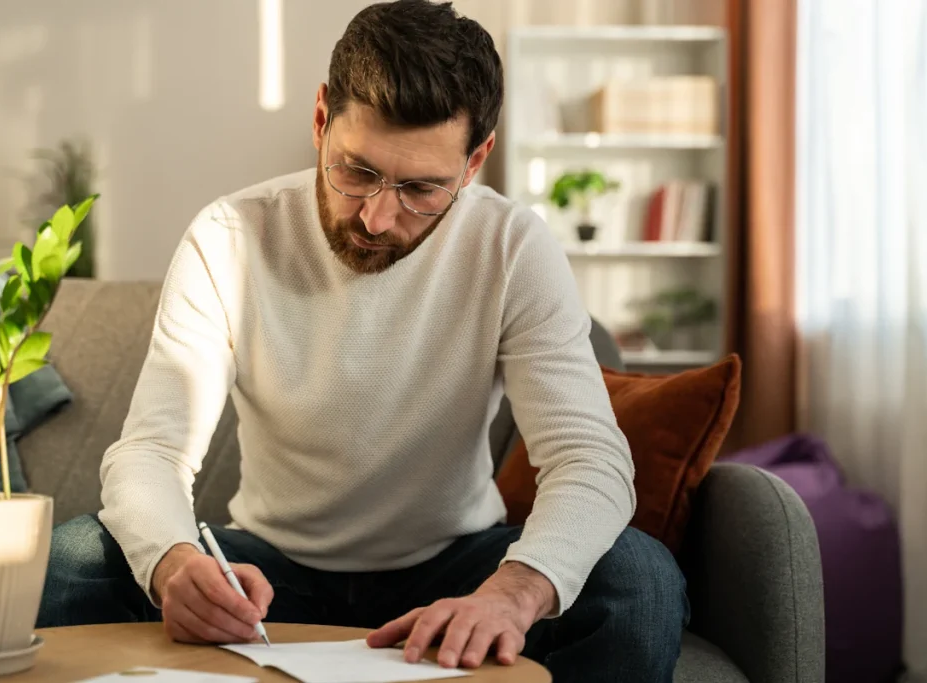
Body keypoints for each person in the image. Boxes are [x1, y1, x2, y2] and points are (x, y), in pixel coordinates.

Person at [38, 1, 689, 680]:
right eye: (357, 171)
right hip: (269, 572)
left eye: (421, 188)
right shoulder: (229, 237)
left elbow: (589, 458)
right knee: (75, 558)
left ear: (474, 163)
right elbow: (152, 450)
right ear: (321, 119)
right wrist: (175, 562)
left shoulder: (513, 247)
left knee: (639, 578)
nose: (378, 217)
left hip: (457, 571)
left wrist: (511, 592)